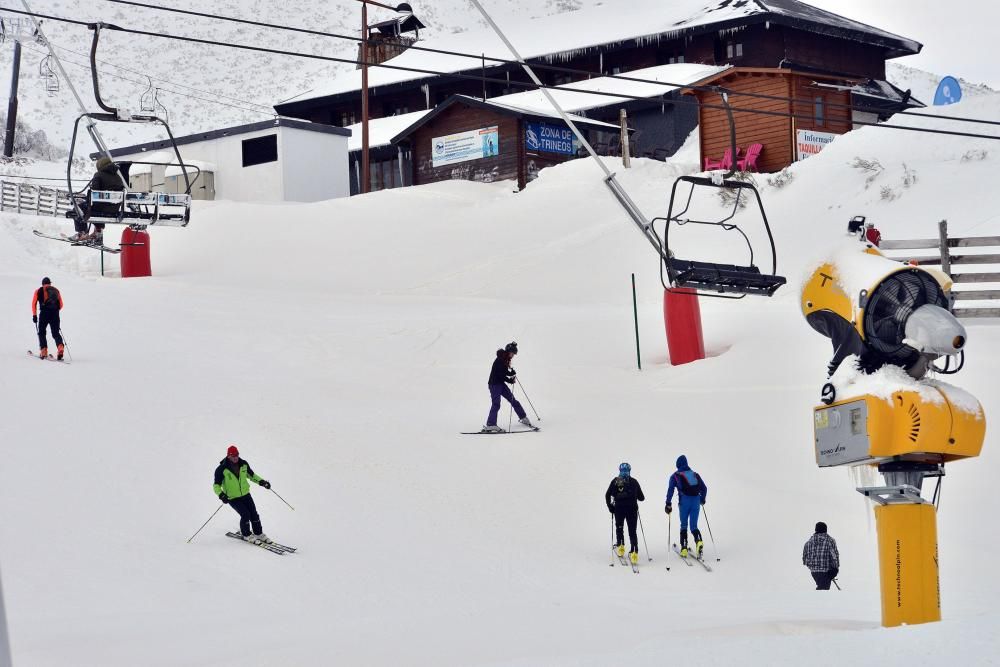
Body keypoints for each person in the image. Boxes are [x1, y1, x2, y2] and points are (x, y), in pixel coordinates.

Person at [213, 445, 273, 544]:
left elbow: (252, 476)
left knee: (254, 513)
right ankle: (246, 535)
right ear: (228, 456)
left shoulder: (243, 464)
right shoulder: (221, 469)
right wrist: (221, 495)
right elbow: (216, 485)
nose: (235, 457)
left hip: (245, 495)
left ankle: (258, 533)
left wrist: (262, 482)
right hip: (233, 498)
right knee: (245, 514)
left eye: (237, 455)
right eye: (233, 456)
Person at [71, 156, 125, 244]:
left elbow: (95, 193)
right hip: (114, 209)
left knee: (78, 209)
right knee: (97, 207)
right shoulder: (118, 177)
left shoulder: (98, 175)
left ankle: (82, 233)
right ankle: (98, 233)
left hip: (101, 208)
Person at [483, 341, 534, 432]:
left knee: (513, 400)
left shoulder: (505, 359)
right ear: (508, 352)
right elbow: (500, 375)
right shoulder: (499, 360)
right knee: (496, 404)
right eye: (512, 353)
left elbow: (503, 372)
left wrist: (510, 373)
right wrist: (510, 380)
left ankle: (523, 417)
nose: (513, 355)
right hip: (494, 385)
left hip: (501, 384)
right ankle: (491, 424)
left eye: (514, 353)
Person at [664, 454, 708, 558]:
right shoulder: (695, 474)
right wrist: (702, 499)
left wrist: (668, 503)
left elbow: (670, 489)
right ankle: (699, 542)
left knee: (684, 525)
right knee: (694, 526)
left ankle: (684, 548)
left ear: (678, 465)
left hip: (684, 501)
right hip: (696, 501)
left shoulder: (675, 475)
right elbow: (704, 488)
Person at [605, 462, 645, 565]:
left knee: (619, 527)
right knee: (632, 531)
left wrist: (610, 507)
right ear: (629, 470)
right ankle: (634, 552)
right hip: (632, 510)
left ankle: (621, 547)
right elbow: (642, 498)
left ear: (619, 470)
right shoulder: (634, 482)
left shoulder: (615, 481)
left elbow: (607, 495)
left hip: (619, 509)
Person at [31, 277, 64, 360]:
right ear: (50, 283)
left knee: (41, 332)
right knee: (56, 333)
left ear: (42, 284)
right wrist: (55, 311)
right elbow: (61, 304)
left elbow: (33, 303)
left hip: (44, 314)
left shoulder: (38, 290)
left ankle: (44, 351)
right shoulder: (56, 290)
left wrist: (34, 315)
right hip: (55, 314)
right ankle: (60, 348)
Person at [802, 521, 840, 590]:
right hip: (826, 572)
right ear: (826, 529)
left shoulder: (808, 542)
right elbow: (834, 555)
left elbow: (804, 559)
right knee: (823, 592)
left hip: (814, 572)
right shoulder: (830, 540)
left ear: (816, 530)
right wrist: (835, 569)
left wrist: (812, 566)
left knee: (822, 589)